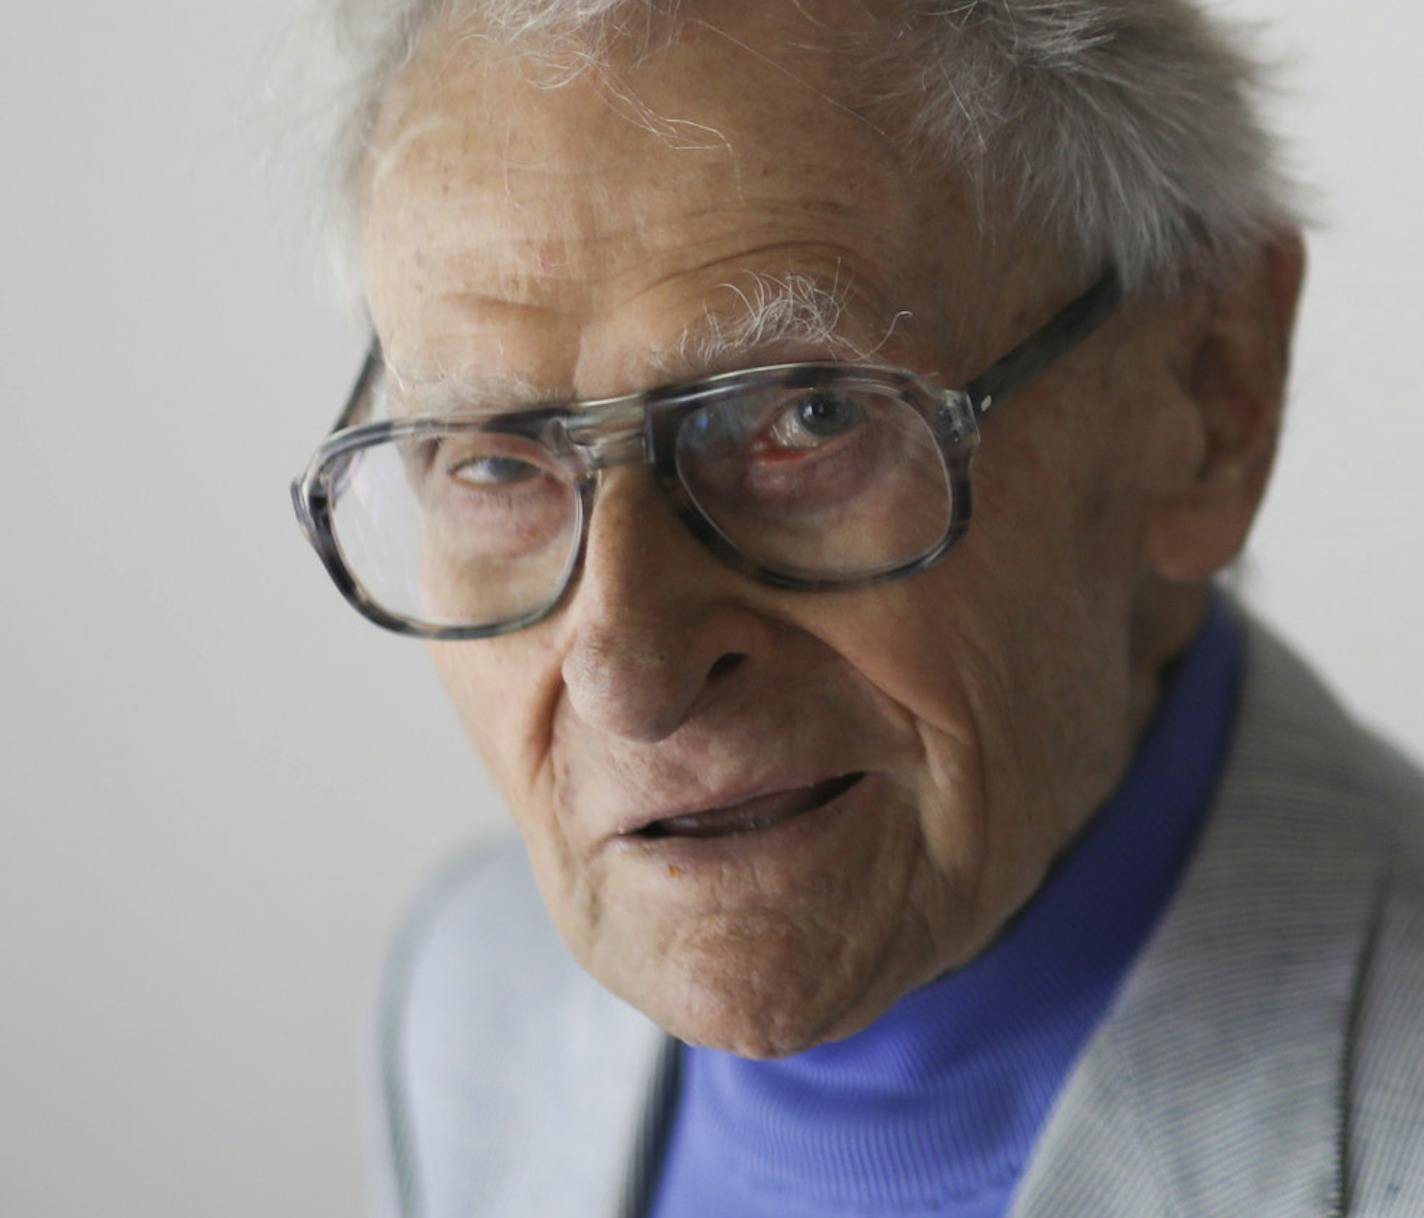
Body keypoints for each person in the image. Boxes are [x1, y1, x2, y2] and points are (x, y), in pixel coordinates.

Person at [287, 1, 1424, 1214]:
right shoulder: (464, 998)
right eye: (495, 461)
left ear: (1209, 395)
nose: (627, 671)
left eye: (807, 417)